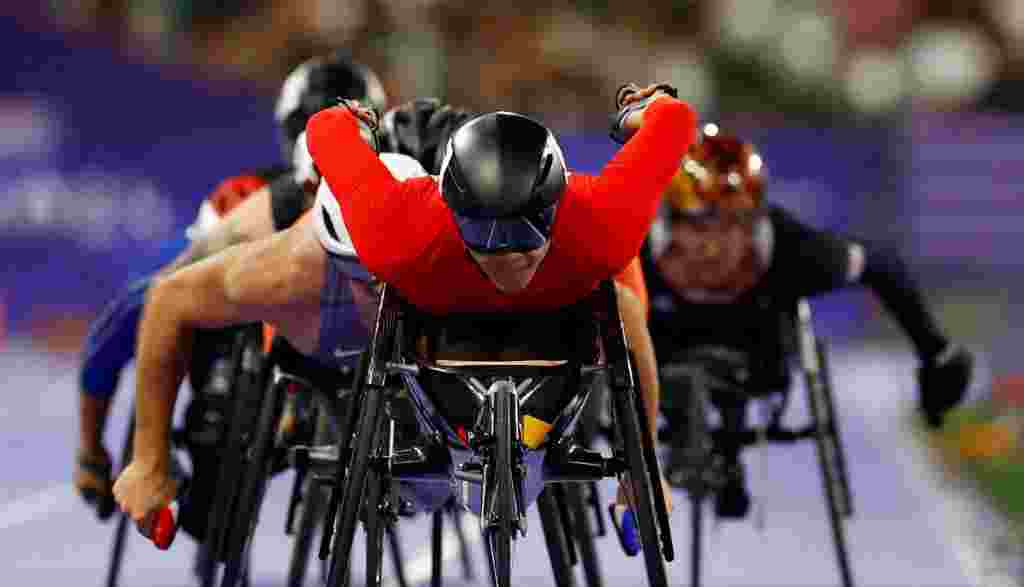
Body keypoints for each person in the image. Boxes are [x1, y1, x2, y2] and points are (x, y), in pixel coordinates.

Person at [111, 83, 698, 542]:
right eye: (485, 236)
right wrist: (149, 459)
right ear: (449, 208)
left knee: (622, 307)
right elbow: (323, 133)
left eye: (524, 236)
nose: (507, 257)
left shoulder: (604, 220)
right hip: (428, 322)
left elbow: (672, 122)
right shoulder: (394, 230)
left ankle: (640, 477)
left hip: (548, 314)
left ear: (559, 205)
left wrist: (642, 112)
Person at [74, 54, 388, 520]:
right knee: (141, 304)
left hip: (331, 332)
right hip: (242, 316)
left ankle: (93, 453)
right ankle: (94, 451)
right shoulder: (244, 195)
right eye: (315, 127)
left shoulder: (394, 189)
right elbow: (179, 284)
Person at [643, 124, 973, 519]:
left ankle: (715, 449)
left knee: (708, 371)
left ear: (753, 221)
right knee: (664, 363)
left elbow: (881, 266)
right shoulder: (639, 248)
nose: (711, 244)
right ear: (670, 222)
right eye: (696, 225)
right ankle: (697, 439)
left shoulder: (790, 246)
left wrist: (935, 352)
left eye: (728, 223)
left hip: (757, 359)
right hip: (660, 364)